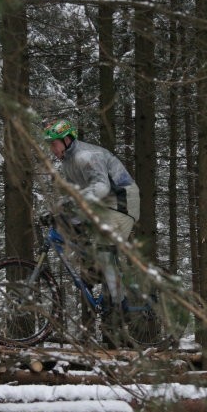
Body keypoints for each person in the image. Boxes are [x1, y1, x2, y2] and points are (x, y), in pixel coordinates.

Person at [43, 119, 140, 316]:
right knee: (73, 228)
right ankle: (96, 271)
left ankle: (121, 307)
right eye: (50, 145)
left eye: (54, 144)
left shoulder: (85, 156)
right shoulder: (68, 164)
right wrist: (57, 212)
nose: (52, 149)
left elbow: (101, 188)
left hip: (121, 203)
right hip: (101, 206)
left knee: (104, 250)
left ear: (67, 139)